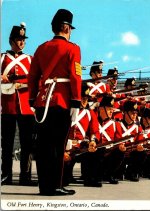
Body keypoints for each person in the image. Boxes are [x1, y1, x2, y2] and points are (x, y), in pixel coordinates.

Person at [28, 9, 81, 196]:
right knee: (58, 146)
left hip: (43, 102)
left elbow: (32, 76)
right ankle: (55, 185)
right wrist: (76, 102)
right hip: (61, 101)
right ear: (66, 28)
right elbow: (75, 77)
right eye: (70, 28)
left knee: (43, 147)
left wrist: (33, 99)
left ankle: (44, 186)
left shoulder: (41, 48)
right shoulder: (73, 48)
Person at [1, 23, 36, 186]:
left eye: (23, 39)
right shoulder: (2, 58)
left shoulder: (30, 59)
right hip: (7, 106)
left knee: (27, 144)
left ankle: (25, 176)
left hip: (26, 107)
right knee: (7, 143)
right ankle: (6, 174)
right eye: (18, 39)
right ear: (11, 40)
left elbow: (37, 79)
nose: (21, 42)